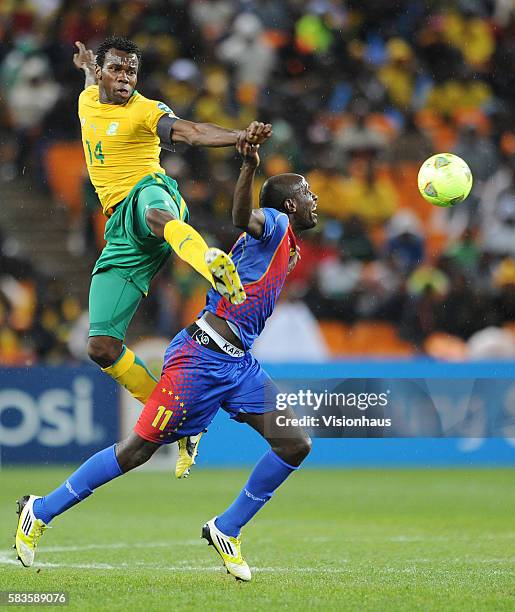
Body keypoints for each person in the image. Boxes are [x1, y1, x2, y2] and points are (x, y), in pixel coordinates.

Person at [15, 139, 317, 582]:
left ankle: (226, 528)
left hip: (238, 364)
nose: (316, 199)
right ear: (290, 204)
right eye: (308, 192)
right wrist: (248, 168)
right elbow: (240, 216)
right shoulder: (273, 222)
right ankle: (40, 510)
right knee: (138, 450)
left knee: (294, 443)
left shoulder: (288, 243)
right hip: (202, 356)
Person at [72, 37, 272, 477]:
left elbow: (190, 132)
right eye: (117, 71)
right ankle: (178, 418)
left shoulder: (145, 111)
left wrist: (239, 137)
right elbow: (91, 83)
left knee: (153, 208)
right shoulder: (89, 98)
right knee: (101, 347)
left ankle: (212, 265)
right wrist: (87, 67)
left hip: (152, 197)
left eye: (131, 72)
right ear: (103, 73)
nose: (125, 79)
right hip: (120, 232)